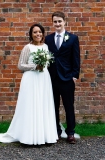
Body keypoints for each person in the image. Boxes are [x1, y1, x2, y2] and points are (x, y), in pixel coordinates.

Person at [0, 24, 58, 145]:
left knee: (43, 105)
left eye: (39, 32)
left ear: (43, 33)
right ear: (31, 34)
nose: (38, 34)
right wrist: (35, 66)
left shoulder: (45, 47)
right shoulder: (27, 48)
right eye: (35, 32)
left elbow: (48, 64)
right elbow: (20, 65)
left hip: (43, 79)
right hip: (31, 79)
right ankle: (29, 137)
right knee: (30, 106)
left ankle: (44, 136)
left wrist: (44, 64)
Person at [45, 11, 80, 144]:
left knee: (68, 106)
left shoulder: (72, 38)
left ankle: (70, 132)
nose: (57, 24)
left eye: (60, 21)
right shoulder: (48, 39)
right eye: (55, 21)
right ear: (52, 23)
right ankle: (56, 131)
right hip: (52, 78)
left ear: (64, 21)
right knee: (53, 106)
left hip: (67, 78)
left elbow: (76, 58)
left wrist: (74, 76)